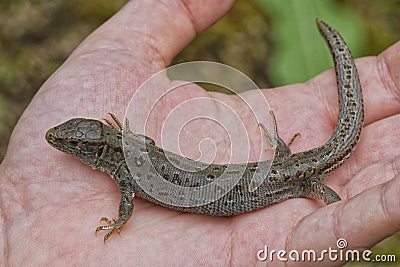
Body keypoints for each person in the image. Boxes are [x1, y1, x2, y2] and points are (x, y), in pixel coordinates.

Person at [1, 0, 399, 265]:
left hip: (294, 180)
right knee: (298, 173)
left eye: (72, 144)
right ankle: (286, 157)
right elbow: (146, 147)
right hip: (280, 173)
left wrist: (120, 222)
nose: (62, 144)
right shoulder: (133, 152)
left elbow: (127, 201)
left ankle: (302, 167)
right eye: (71, 142)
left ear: (95, 150)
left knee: (323, 196)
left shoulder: (126, 171)